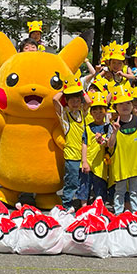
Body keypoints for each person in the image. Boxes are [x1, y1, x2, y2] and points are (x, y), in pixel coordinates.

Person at [110, 86, 137, 214]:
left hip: (136, 164)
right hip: (121, 164)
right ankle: (118, 214)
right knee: (119, 190)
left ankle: (136, 213)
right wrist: (114, 132)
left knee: (135, 191)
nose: (125, 106)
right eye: (120, 104)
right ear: (116, 107)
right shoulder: (113, 124)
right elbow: (110, 145)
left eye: (128, 103)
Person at [57, 77, 90, 210]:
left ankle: (79, 205)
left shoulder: (82, 113)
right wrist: (66, 89)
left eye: (78, 101)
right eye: (72, 101)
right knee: (71, 182)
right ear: (67, 102)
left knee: (83, 183)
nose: (76, 103)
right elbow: (55, 100)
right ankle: (66, 206)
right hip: (71, 156)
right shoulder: (65, 116)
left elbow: (89, 101)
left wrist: (79, 88)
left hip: (84, 155)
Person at [79, 92, 116, 206]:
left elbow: (110, 144)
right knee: (84, 184)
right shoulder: (88, 127)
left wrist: (102, 140)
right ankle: (83, 206)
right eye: (95, 112)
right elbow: (84, 144)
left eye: (101, 111)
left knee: (100, 185)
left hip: (101, 164)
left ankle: (100, 206)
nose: (98, 114)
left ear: (105, 112)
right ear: (91, 113)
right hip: (88, 161)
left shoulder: (109, 127)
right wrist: (84, 161)